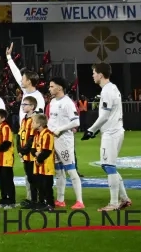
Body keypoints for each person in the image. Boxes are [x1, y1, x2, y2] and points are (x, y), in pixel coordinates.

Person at [83, 61, 131, 212]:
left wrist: (91, 129)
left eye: (94, 72)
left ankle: (114, 202)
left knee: (108, 166)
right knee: (109, 166)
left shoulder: (107, 91)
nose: (92, 75)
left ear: (100, 74)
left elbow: (104, 115)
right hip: (114, 131)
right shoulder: (113, 88)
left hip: (111, 133)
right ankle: (124, 199)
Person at [48, 77, 84, 209]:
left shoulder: (68, 103)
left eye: (52, 86)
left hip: (64, 141)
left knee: (71, 170)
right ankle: (60, 199)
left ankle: (80, 201)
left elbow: (76, 122)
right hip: (54, 140)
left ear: (60, 88)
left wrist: (60, 129)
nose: (49, 88)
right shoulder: (52, 102)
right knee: (58, 171)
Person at [6, 43, 46, 124]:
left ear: (29, 81)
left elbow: (39, 117)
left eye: (23, 79)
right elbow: (16, 73)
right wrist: (9, 57)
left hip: (32, 133)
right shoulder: (25, 91)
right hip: (24, 132)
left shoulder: (38, 97)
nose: (21, 81)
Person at [31, 114, 56, 211]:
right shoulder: (37, 134)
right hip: (38, 165)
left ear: (39, 124)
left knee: (47, 186)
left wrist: (38, 159)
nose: (32, 124)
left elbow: (47, 151)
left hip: (46, 165)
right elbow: (33, 150)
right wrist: (36, 155)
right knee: (40, 186)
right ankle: (42, 203)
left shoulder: (48, 134)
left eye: (33, 122)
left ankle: (50, 204)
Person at [18, 96, 38, 208]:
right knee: (29, 177)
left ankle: (36, 200)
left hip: (31, 154)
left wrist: (23, 151)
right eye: (22, 104)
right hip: (25, 154)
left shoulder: (34, 119)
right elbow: (20, 135)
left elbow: (32, 138)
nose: (23, 106)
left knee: (33, 178)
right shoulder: (24, 119)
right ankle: (32, 199)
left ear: (32, 106)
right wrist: (19, 150)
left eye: (25, 104)